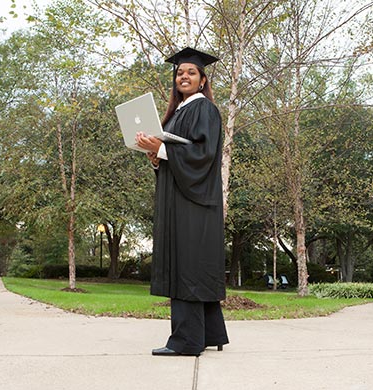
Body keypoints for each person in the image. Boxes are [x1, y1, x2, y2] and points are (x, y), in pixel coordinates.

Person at [135, 47, 229, 357]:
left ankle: (188, 342)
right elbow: (177, 155)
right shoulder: (179, 113)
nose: (183, 76)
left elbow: (203, 156)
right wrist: (156, 155)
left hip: (195, 205)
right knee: (193, 267)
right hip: (183, 202)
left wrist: (162, 150)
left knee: (188, 268)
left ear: (203, 80)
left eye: (190, 72)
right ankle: (210, 333)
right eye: (179, 73)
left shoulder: (204, 110)